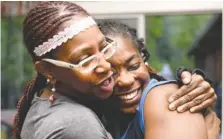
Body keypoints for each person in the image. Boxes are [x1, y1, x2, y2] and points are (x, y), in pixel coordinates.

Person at [13, 2, 217, 139]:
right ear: (49, 70)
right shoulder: (87, 115)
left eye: (134, 65)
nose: (104, 67)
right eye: (86, 60)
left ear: (144, 60)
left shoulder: (170, 100)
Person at [98, 20, 220, 139]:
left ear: (144, 62)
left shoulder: (167, 99)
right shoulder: (108, 114)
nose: (125, 80)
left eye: (133, 66)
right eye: (111, 73)